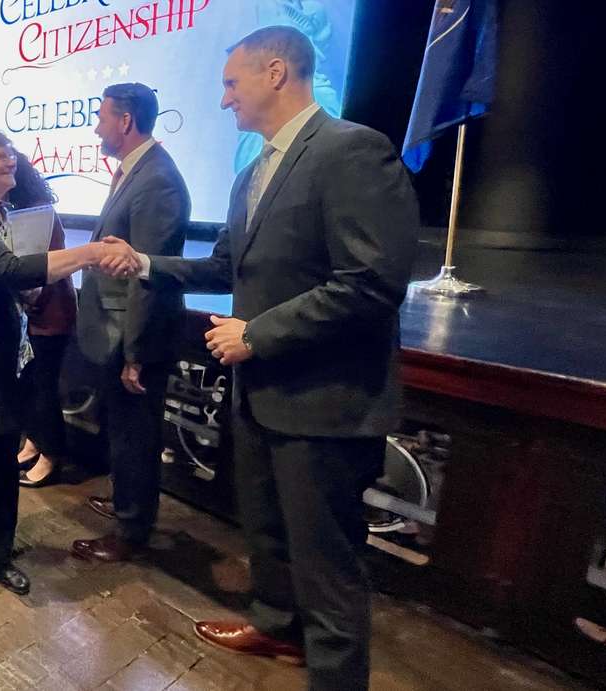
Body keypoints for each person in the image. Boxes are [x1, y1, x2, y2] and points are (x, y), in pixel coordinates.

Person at [102, 27, 419, 690]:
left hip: (323, 404)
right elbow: (225, 264)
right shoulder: (255, 169)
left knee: (328, 567)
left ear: (276, 72)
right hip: (261, 395)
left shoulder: (352, 151)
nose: (223, 101)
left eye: (229, 83)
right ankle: (277, 628)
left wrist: (258, 334)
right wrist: (147, 262)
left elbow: (371, 283)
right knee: (269, 536)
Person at [0, 129, 141, 596]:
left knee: (0, 458)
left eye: (13, 156)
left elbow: (3, 281)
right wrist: (93, 252)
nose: (12, 161)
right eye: (3, 156)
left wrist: (27, 292)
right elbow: (6, 269)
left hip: (0, 357)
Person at [70, 83, 191, 563]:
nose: (96, 125)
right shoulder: (134, 171)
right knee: (122, 432)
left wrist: (137, 354)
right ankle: (127, 504)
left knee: (135, 438)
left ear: (125, 121)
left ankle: (131, 530)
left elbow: (150, 274)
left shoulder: (157, 179)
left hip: (133, 339)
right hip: (116, 333)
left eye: (102, 116)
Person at [6, 163, 77, 488]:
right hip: (29, 311)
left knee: (43, 387)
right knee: (29, 384)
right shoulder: (16, 211)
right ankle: (33, 441)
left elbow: (50, 265)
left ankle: (51, 456)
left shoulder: (40, 215)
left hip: (50, 312)